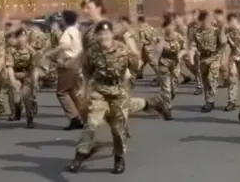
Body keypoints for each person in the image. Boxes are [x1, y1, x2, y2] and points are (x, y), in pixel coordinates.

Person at [67, 21, 169, 174]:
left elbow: (135, 66)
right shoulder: (92, 52)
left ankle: (119, 157)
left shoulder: (123, 50)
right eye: (101, 34)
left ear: (112, 35)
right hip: (99, 92)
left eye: (107, 34)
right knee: (92, 124)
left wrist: (130, 75)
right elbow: (87, 72)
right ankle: (80, 155)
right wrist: (84, 88)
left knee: (118, 129)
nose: (104, 37)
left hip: (119, 92)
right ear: (97, 36)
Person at [45, 10, 85, 130]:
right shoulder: (77, 32)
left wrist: (50, 54)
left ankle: (74, 117)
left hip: (69, 63)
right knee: (73, 91)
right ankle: (84, 116)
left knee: (62, 92)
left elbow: (65, 45)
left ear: (63, 20)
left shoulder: (67, 32)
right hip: (78, 62)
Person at [187, 10, 227, 112]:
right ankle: (209, 101)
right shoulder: (197, 33)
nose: (211, 21)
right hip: (203, 58)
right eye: (208, 19)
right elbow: (193, 45)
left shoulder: (216, 31)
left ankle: (211, 99)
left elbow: (223, 44)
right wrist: (191, 57)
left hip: (214, 57)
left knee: (211, 79)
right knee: (205, 80)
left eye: (211, 19)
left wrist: (222, 29)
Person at [5, 28, 39, 128]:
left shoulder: (31, 51)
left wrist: (35, 82)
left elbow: (35, 69)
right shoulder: (11, 50)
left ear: (27, 38)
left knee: (26, 96)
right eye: (19, 37)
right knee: (16, 98)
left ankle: (30, 119)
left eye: (23, 36)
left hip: (27, 75)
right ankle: (17, 109)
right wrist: (12, 81)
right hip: (16, 75)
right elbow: (9, 67)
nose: (21, 39)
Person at [155, 16, 186, 119]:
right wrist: (163, 39)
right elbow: (158, 51)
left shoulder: (179, 37)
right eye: (167, 26)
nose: (170, 28)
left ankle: (162, 103)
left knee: (174, 88)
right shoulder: (160, 38)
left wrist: (180, 54)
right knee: (166, 88)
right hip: (164, 63)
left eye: (171, 25)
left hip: (175, 64)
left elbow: (184, 49)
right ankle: (168, 110)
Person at [223, 13, 240, 112]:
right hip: (234, 58)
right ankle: (231, 101)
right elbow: (225, 46)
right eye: (229, 22)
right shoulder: (228, 34)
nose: (230, 23)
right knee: (232, 78)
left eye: (231, 21)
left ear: (235, 20)